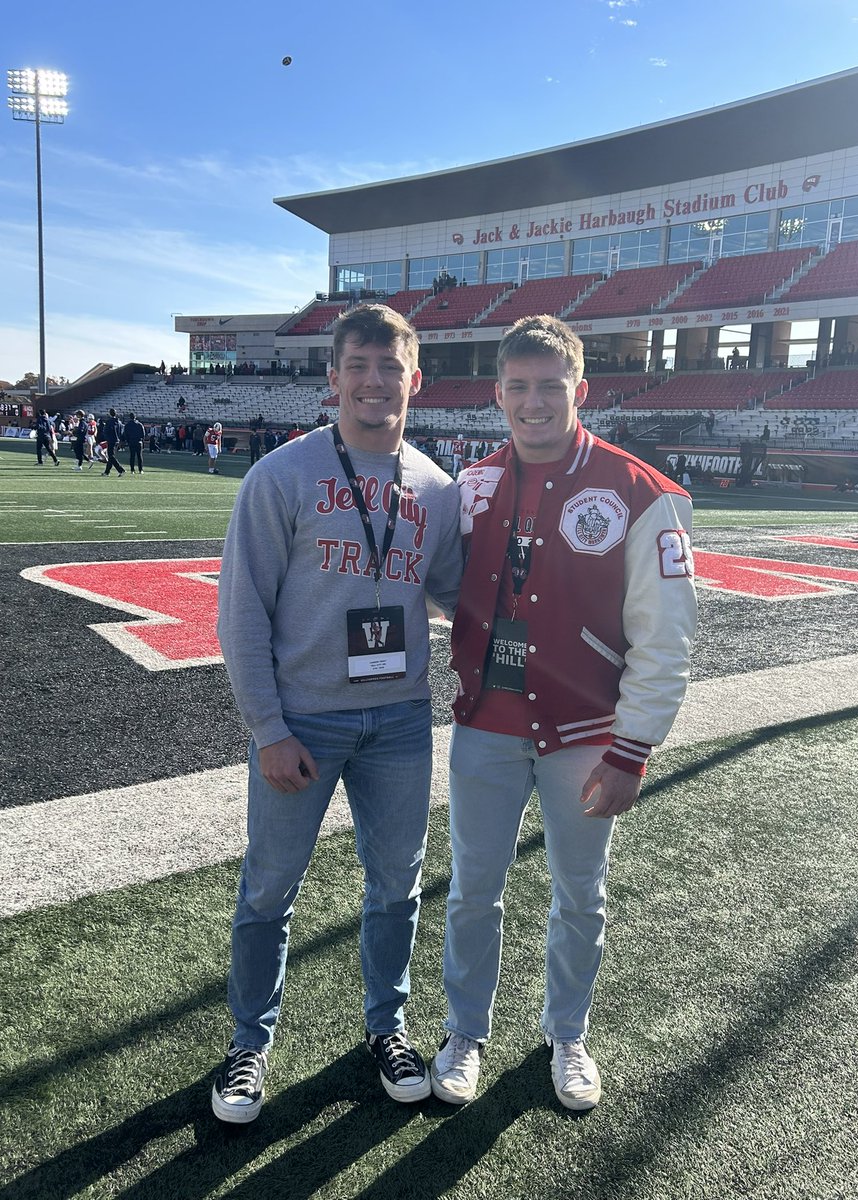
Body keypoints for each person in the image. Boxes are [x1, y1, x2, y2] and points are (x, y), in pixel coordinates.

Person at [431, 315, 697, 1111]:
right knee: (473, 889)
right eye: (518, 387)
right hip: (484, 725)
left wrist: (632, 750)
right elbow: (449, 585)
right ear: (498, 393)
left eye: (551, 387)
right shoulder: (472, 486)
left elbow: (666, 639)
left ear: (581, 390)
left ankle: (568, 1032)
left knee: (580, 893)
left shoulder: (642, 492)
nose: (534, 402)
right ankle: (466, 1028)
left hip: (584, 735)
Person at [212, 303, 463, 1123]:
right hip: (305, 721)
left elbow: (462, 599)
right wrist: (268, 729)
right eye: (359, 365)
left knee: (397, 886)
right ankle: (250, 1043)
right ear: (334, 378)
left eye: (391, 368)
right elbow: (242, 612)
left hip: (398, 720)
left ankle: (385, 1028)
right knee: (269, 888)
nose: (374, 381)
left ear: (414, 381)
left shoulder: (436, 487)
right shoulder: (280, 475)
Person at [102, 408, 125, 476]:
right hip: (117, 440)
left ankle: (121, 470)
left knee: (111, 456)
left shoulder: (109, 422)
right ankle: (107, 472)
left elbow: (106, 431)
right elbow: (121, 432)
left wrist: (107, 438)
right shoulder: (119, 422)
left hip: (111, 440)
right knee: (111, 456)